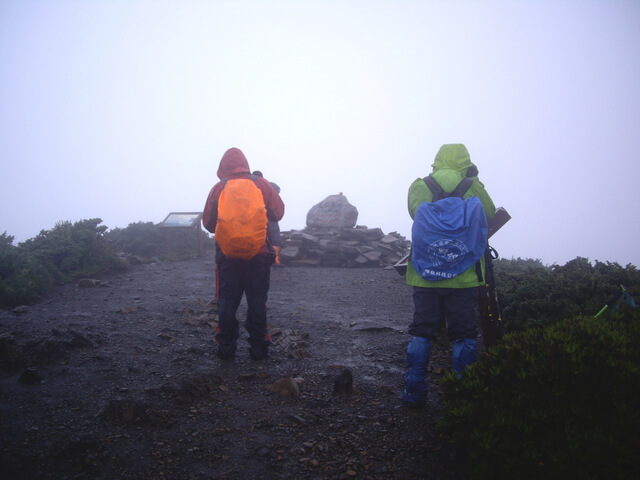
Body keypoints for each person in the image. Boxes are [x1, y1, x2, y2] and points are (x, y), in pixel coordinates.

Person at [403, 144, 495, 408]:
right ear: (466, 160)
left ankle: (414, 391)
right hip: (464, 275)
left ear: (437, 160)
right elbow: (488, 215)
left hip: (425, 272)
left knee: (421, 330)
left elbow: (414, 214)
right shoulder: (472, 185)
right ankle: (462, 394)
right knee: (464, 333)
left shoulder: (421, 184)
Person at [202, 148, 285, 360]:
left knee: (227, 304)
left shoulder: (219, 188)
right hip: (259, 255)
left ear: (223, 167)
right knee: (257, 302)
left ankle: (226, 349)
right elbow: (278, 214)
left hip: (228, 257)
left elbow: (209, 224)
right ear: (245, 163)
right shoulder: (261, 184)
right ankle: (259, 349)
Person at [252, 170, 283, 267]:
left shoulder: (249, 186)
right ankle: (275, 261)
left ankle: (257, 260)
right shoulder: (269, 185)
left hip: (255, 217)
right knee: (274, 238)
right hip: (269, 215)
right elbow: (278, 190)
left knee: (258, 238)